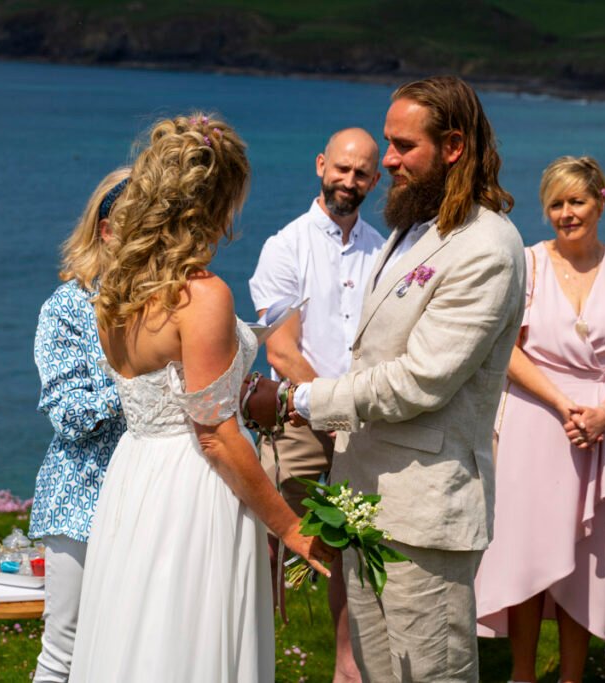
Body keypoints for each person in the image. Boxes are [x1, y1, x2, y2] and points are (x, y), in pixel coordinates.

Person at [68, 113, 334, 681]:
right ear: (215, 203)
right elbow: (214, 435)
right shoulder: (201, 295)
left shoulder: (115, 290)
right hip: (191, 488)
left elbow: (167, 386)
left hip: (134, 479)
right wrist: (290, 527)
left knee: (138, 634)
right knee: (188, 638)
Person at [287, 76, 525, 682]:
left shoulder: (488, 247)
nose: (385, 159)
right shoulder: (413, 228)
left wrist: (307, 398)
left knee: (430, 674)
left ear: (453, 146)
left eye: (401, 146)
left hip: (426, 514)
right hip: (369, 499)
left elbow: (421, 380)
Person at [473, 156, 605, 683]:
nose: (566, 213)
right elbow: (506, 349)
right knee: (526, 549)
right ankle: (520, 674)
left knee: (587, 557)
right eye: (556, 204)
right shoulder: (527, 262)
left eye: (576, 201)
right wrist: (564, 404)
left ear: (599, 201)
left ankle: (574, 677)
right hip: (537, 419)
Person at [249, 127, 383, 683]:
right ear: (320, 165)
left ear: (374, 180)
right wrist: (337, 410)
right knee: (268, 546)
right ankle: (245, 660)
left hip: (366, 427)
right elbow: (281, 350)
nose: (348, 182)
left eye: (361, 174)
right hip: (301, 424)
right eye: (341, 169)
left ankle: (347, 669)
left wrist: (358, 413)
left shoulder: (386, 250)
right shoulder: (286, 246)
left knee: (354, 549)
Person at [29, 167, 130, 683]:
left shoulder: (162, 305)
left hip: (144, 496)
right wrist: (139, 385)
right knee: (64, 651)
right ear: (107, 229)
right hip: (79, 500)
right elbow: (69, 416)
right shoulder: (67, 308)